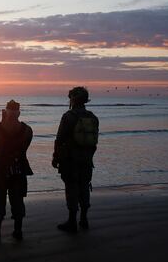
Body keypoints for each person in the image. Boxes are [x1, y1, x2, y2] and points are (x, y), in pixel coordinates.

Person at [52, 87, 99, 233]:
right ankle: (84, 219)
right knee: (84, 187)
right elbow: (94, 141)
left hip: (70, 159)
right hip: (86, 160)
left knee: (72, 188)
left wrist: (55, 157)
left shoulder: (68, 116)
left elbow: (59, 139)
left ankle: (72, 221)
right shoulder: (92, 117)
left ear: (72, 99)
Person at [0, 100, 33, 242]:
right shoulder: (27, 130)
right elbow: (26, 144)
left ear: (5, 112)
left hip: (0, 169)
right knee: (18, 200)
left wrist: (2, 122)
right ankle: (18, 231)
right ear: (19, 113)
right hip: (19, 169)